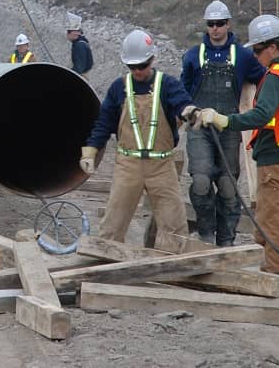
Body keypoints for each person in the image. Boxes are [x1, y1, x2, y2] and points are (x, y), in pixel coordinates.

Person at [199, 14, 279, 310]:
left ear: (271, 47)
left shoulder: (277, 76)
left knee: (274, 223)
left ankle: (274, 283)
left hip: (278, 160)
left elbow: (263, 114)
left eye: (257, 50)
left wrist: (224, 120)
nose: (256, 57)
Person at [81, 29, 198, 244]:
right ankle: (105, 265)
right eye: (132, 67)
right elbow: (104, 123)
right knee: (113, 224)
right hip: (128, 165)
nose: (137, 71)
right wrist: (90, 151)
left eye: (142, 66)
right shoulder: (119, 88)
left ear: (152, 59)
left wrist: (190, 111)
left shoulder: (168, 85)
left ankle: (172, 271)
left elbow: (182, 102)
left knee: (173, 224)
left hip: (161, 165)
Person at [180, 0, 266, 246]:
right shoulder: (193, 55)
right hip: (199, 127)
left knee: (228, 187)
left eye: (220, 24)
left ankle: (226, 238)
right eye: (211, 24)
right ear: (206, 26)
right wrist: (185, 111)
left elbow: (264, 80)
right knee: (201, 180)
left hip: (229, 127)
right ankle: (206, 233)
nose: (215, 28)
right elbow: (183, 90)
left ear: (228, 24)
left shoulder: (243, 55)